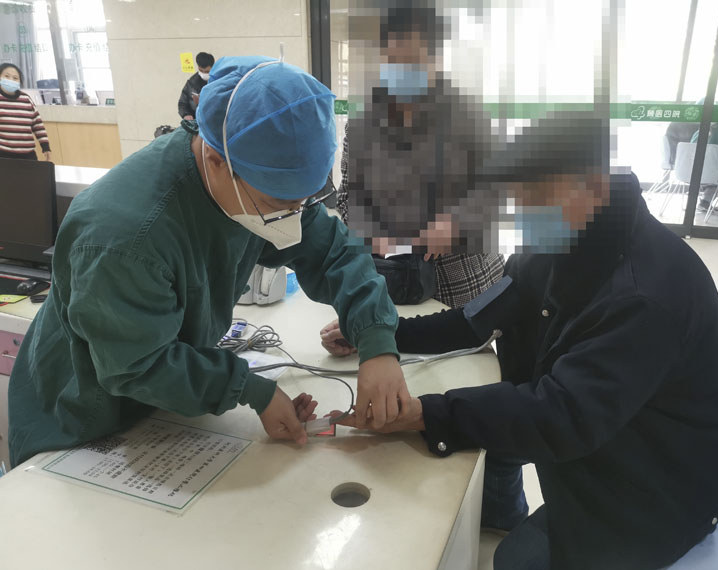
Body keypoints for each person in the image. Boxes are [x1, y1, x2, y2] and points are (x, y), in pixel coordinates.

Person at [321, 115, 718, 569]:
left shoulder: (645, 295)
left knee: (514, 560)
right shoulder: (564, 236)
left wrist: (424, 413)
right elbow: (478, 318)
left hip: (661, 487)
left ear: (595, 187)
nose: (523, 218)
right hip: (605, 433)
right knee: (492, 439)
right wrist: (382, 334)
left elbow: (561, 415)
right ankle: (499, 513)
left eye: (537, 201)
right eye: (516, 203)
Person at [8, 55, 410, 468]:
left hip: (162, 409)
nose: (294, 215)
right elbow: (138, 366)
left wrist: (377, 342)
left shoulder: (248, 180)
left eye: (302, 201)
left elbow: (332, 251)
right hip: (80, 421)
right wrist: (249, 388)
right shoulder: (123, 237)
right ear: (217, 161)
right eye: (281, 203)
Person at [340, 6, 505, 309]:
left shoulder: (468, 117)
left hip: (462, 284)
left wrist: (457, 223)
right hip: (391, 279)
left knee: (460, 340)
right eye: (393, 61)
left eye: (413, 62)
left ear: (436, 59)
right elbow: (347, 196)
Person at [0, 63, 51, 161]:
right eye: (6, 76)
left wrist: (45, 146)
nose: (11, 80)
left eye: (15, 78)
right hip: (2, 154)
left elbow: (38, 125)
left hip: (28, 154)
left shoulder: (26, 99)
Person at [178, 52, 215, 121]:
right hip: (197, 121)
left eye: (207, 72)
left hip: (215, 121)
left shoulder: (219, 81)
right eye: (201, 70)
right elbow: (182, 103)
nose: (203, 73)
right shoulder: (191, 83)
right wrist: (186, 114)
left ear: (213, 68)